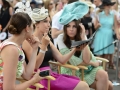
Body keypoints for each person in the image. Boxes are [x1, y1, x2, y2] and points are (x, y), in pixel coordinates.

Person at [22, 6, 90, 90]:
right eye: (45, 21)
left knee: (83, 85)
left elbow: (62, 60)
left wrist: (75, 49)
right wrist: (43, 47)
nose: (49, 25)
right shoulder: (27, 41)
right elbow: (35, 66)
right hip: (38, 78)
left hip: (50, 75)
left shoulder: (46, 39)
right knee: (83, 86)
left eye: (49, 22)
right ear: (36, 24)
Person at [57, 1, 113, 90]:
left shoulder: (81, 35)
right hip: (72, 70)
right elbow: (74, 62)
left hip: (86, 69)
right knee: (108, 85)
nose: (71, 29)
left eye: (74, 26)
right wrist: (92, 63)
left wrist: (83, 36)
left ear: (78, 27)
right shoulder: (61, 38)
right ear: (65, 28)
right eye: (68, 26)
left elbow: (87, 58)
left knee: (104, 75)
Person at [0, 5, 43, 89]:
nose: (33, 30)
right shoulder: (12, 49)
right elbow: (8, 88)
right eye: (32, 27)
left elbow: (27, 74)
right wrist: (33, 81)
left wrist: (35, 49)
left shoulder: (15, 47)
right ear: (27, 28)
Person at [93, 0, 119, 70]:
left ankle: (104, 69)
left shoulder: (114, 15)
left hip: (109, 35)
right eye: (107, 5)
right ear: (104, 6)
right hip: (100, 34)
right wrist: (98, 25)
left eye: (109, 5)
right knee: (100, 55)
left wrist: (118, 35)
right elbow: (95, 27)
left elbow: (116, 27)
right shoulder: (99, 14)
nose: (108, 6)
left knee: (106, 54)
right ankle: (98, 70)